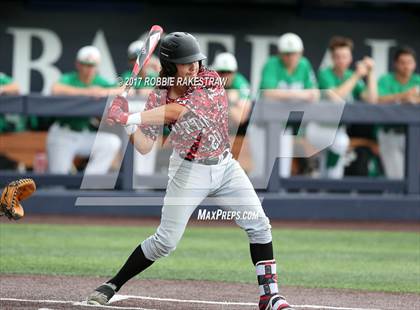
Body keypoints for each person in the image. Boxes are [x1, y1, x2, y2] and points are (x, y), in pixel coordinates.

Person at [86, 32, 294, 310]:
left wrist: (128, 115)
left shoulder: (210, 80)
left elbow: (178, 113)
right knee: (164, 243)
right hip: (187, 171)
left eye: (195, 61)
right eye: (187, 63)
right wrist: (126, 124)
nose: (194, 67)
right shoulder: (157, 95)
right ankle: (112, 283)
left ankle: (270, 296)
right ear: (171, 66)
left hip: (225, 166)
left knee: (259, 225)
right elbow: (146, 145)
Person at [310, 36, 378, 178]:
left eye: (345, 56)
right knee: (341, 143)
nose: (341, 60)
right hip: (319, 127)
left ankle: (327, 188)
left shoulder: (349, 75)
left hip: (338, 128)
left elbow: (371, 100)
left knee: (334, 168)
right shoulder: (325, 73)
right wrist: (357, 75)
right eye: (338, 57)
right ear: (332, 58)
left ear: (350, 57)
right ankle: (324, 181)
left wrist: (370, 73)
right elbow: (337, 97)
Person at [47, 46, 122, 174]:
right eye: (85, 64)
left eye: (92, 65)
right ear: (78, 64)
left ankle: (89, 182)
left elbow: (123, 89)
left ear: (97, 66)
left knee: (111, 142)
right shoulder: (69, 78)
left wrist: (102, 92)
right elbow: (55, 89)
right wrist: (87, 92)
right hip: (63, 133)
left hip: (84, 134)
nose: (88, 69)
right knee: (57, 181)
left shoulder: (99, 81)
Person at [259, 32, 318, 178]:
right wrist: (300, 95)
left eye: (294, 54)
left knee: (282, 168)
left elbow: (315, 93)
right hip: (262, 124)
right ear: (280, 53)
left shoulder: (304, 64)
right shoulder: (272, 63)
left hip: (286, 124)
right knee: (261, 168)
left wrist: (287, 95)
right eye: (287, 54)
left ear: (300, 53)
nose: (291, 57)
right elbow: (268, 93)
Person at [375, 46, 420, 179]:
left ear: (415, 64)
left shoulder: (417, 80)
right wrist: (403, 96)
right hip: (390, 133)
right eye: (402, 62)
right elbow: (377, 99)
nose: (406, 66)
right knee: (396, 177)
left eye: (409, 62)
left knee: (415, 178)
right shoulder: (385, 79)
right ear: (396, 64)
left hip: (415, 135)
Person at [121, 40, 161, 177]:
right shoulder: (127, 76)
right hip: (130, 127)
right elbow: (122, 90)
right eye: (136, 59)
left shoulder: (156, 77)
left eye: (144, 58)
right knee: (133, 163)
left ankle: (143, 190)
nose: (140, 63)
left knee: (147, 161)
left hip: (150, 125)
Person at [212, 52, 253, 173]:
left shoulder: (241, 84)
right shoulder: (208, 82)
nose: (225, 76)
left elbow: (240, 118)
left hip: (237, 133)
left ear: (234, 72)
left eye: (228, 72)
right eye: (221, 72)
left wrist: (224, 101)